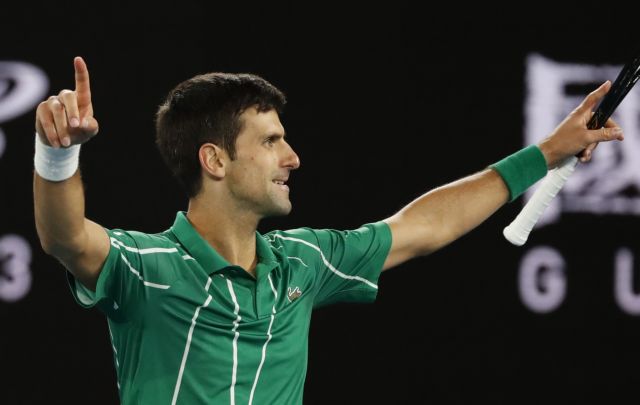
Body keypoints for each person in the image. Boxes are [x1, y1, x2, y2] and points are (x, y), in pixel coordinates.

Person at [33, 56, 624, 405]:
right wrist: (57, 157)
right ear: (214, 160)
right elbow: (65, 238)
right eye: (270, 142)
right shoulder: (147, 268)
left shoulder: (304, 263)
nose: (292, 157)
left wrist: (546, 152)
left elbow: (420, 226)